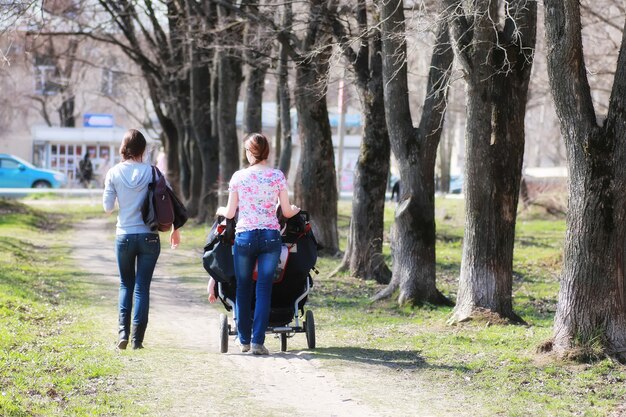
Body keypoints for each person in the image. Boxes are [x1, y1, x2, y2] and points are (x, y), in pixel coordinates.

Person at [216, 132, 300, 355]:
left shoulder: (239, 177)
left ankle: (243, 340)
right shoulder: (277, 176)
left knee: (243, 289)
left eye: (246, 149)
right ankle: (257, 343)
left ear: (251, 152)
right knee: (264, 289)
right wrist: (297, 211)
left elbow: (231, 212)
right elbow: (288, 211)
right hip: (270, 237)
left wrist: (220, 210)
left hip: (244, 238)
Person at [103, 129, 181, 350]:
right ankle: (138, 340)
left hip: (124, 236)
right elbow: (169, 201)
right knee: (142, 288)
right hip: (149, 237)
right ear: (143, 149)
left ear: (124, 148)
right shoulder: (153, 172)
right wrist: (176, 228)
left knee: (125, 285)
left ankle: (123, 333)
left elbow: (107, 208)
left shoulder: (113, 172)